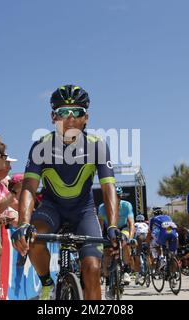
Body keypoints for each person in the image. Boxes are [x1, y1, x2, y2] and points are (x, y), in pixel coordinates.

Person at [12, 85, 119, 300]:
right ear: (53, 117)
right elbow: (29, 188)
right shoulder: (40, 146)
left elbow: (108, 187)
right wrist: (24, 223)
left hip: (83, 211)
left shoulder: (97, 146)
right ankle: (47, 284)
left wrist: (113, 226)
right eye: (62, 112)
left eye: (77, 112)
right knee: (32, 237)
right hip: (52, 209)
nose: (70, 118)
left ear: (85, 117)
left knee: (92, 269)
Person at [98, 186, 135, 298]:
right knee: (107, 254)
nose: (116, 199)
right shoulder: (102, 207)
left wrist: (131, 237)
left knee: (125, 242)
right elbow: (100, 226)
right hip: (109, 230)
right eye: (113, 196)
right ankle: (109, 284)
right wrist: (99, 239)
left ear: (120, 197)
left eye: (118, 196)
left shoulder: (126, 205)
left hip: (123, 228)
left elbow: (131, 224)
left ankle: (126, 271)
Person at [133, 214, 149, 285]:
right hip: (146, 239)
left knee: (136, 255)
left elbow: (133, 233)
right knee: (148, 254)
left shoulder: (135, 224)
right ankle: (150, 270)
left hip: (139, 238)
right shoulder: (146, 224)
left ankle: (138, 274)